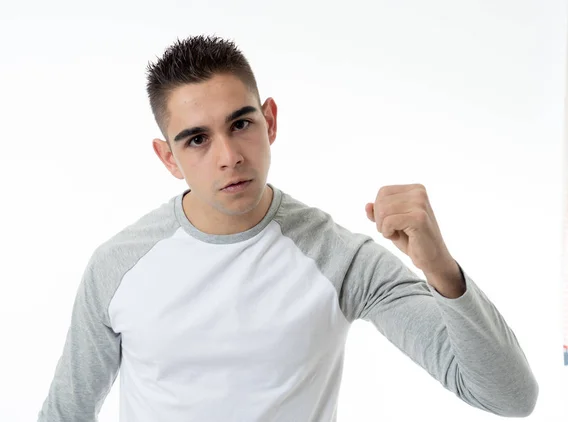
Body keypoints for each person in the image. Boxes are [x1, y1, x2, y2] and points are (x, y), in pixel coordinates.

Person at [37, 34, 538, 421]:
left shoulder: (340, 260)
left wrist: (440, 268)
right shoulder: (118, 265)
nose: (229, 157)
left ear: (269, 121)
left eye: (241, 124)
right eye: (196, 140)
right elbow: (66, 412)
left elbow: (509, 396)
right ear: (168, 157)